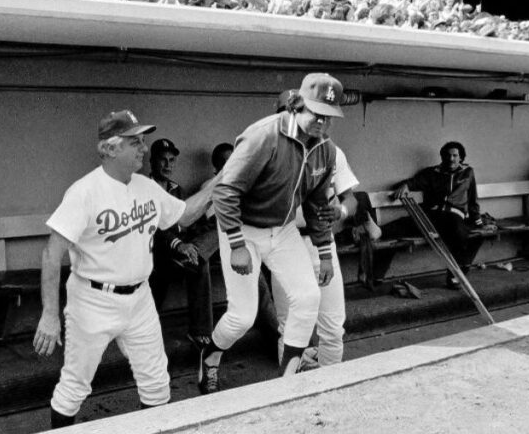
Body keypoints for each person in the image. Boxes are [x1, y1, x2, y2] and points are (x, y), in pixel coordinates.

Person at [33, 110, 214, 428]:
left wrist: (220, 182)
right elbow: (52, 254)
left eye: (143, 141)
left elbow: (184, 216)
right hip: (92, 299)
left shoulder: (146, 187)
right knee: (74, 388)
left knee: (158, 385)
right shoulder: (85, 192)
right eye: (135, 142)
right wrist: (49, 315)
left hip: (140, 298)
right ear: (110, 148)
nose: (143, 148)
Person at [198, 73, 342, 394]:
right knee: (242, 317)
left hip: (284, 229)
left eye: (329, 116)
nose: (322, 121)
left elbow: (319, 203)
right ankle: (211, 355)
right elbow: (224, 192)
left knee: (308, 297)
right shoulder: (264, 134)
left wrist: (324, 252)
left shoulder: (325, 149)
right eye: (316, 112)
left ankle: (287, 384)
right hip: (243, 229)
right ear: (297, 104)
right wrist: (236, 244)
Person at [269, 90, 377, 369]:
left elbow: (350, 199)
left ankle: (331, 384)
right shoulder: (268, 149)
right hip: (285, 244)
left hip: (321, 245)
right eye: (287, 110)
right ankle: (290, 389)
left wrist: (340, 211)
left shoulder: (330, 151)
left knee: (332, 327)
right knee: (289, 325)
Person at [146, 139, 214, 349]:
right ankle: (194, 254)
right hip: (155, 255)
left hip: (179, 250)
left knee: (212, 234)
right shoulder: (144, 188)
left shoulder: (177, 189)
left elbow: (185, 221)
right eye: (163, 160)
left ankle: (199, 331)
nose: (168, 165)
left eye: (172, 160)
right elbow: (154, 226)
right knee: (198, 264)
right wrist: (178, 245)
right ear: (152, 162)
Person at [392, 141, 484, 288]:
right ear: (442, 157)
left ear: (461, 157)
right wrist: (406, 185)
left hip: (455, 215)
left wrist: (478, 220)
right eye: (447, 155)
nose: (451, 159)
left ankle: (456, 275)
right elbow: (415, 182)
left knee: (468, 235)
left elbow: (472, 199)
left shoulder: (467, 173)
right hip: (434, 215)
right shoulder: (432, 172)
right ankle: (366, 233)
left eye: (455, 155)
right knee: (401, 225)